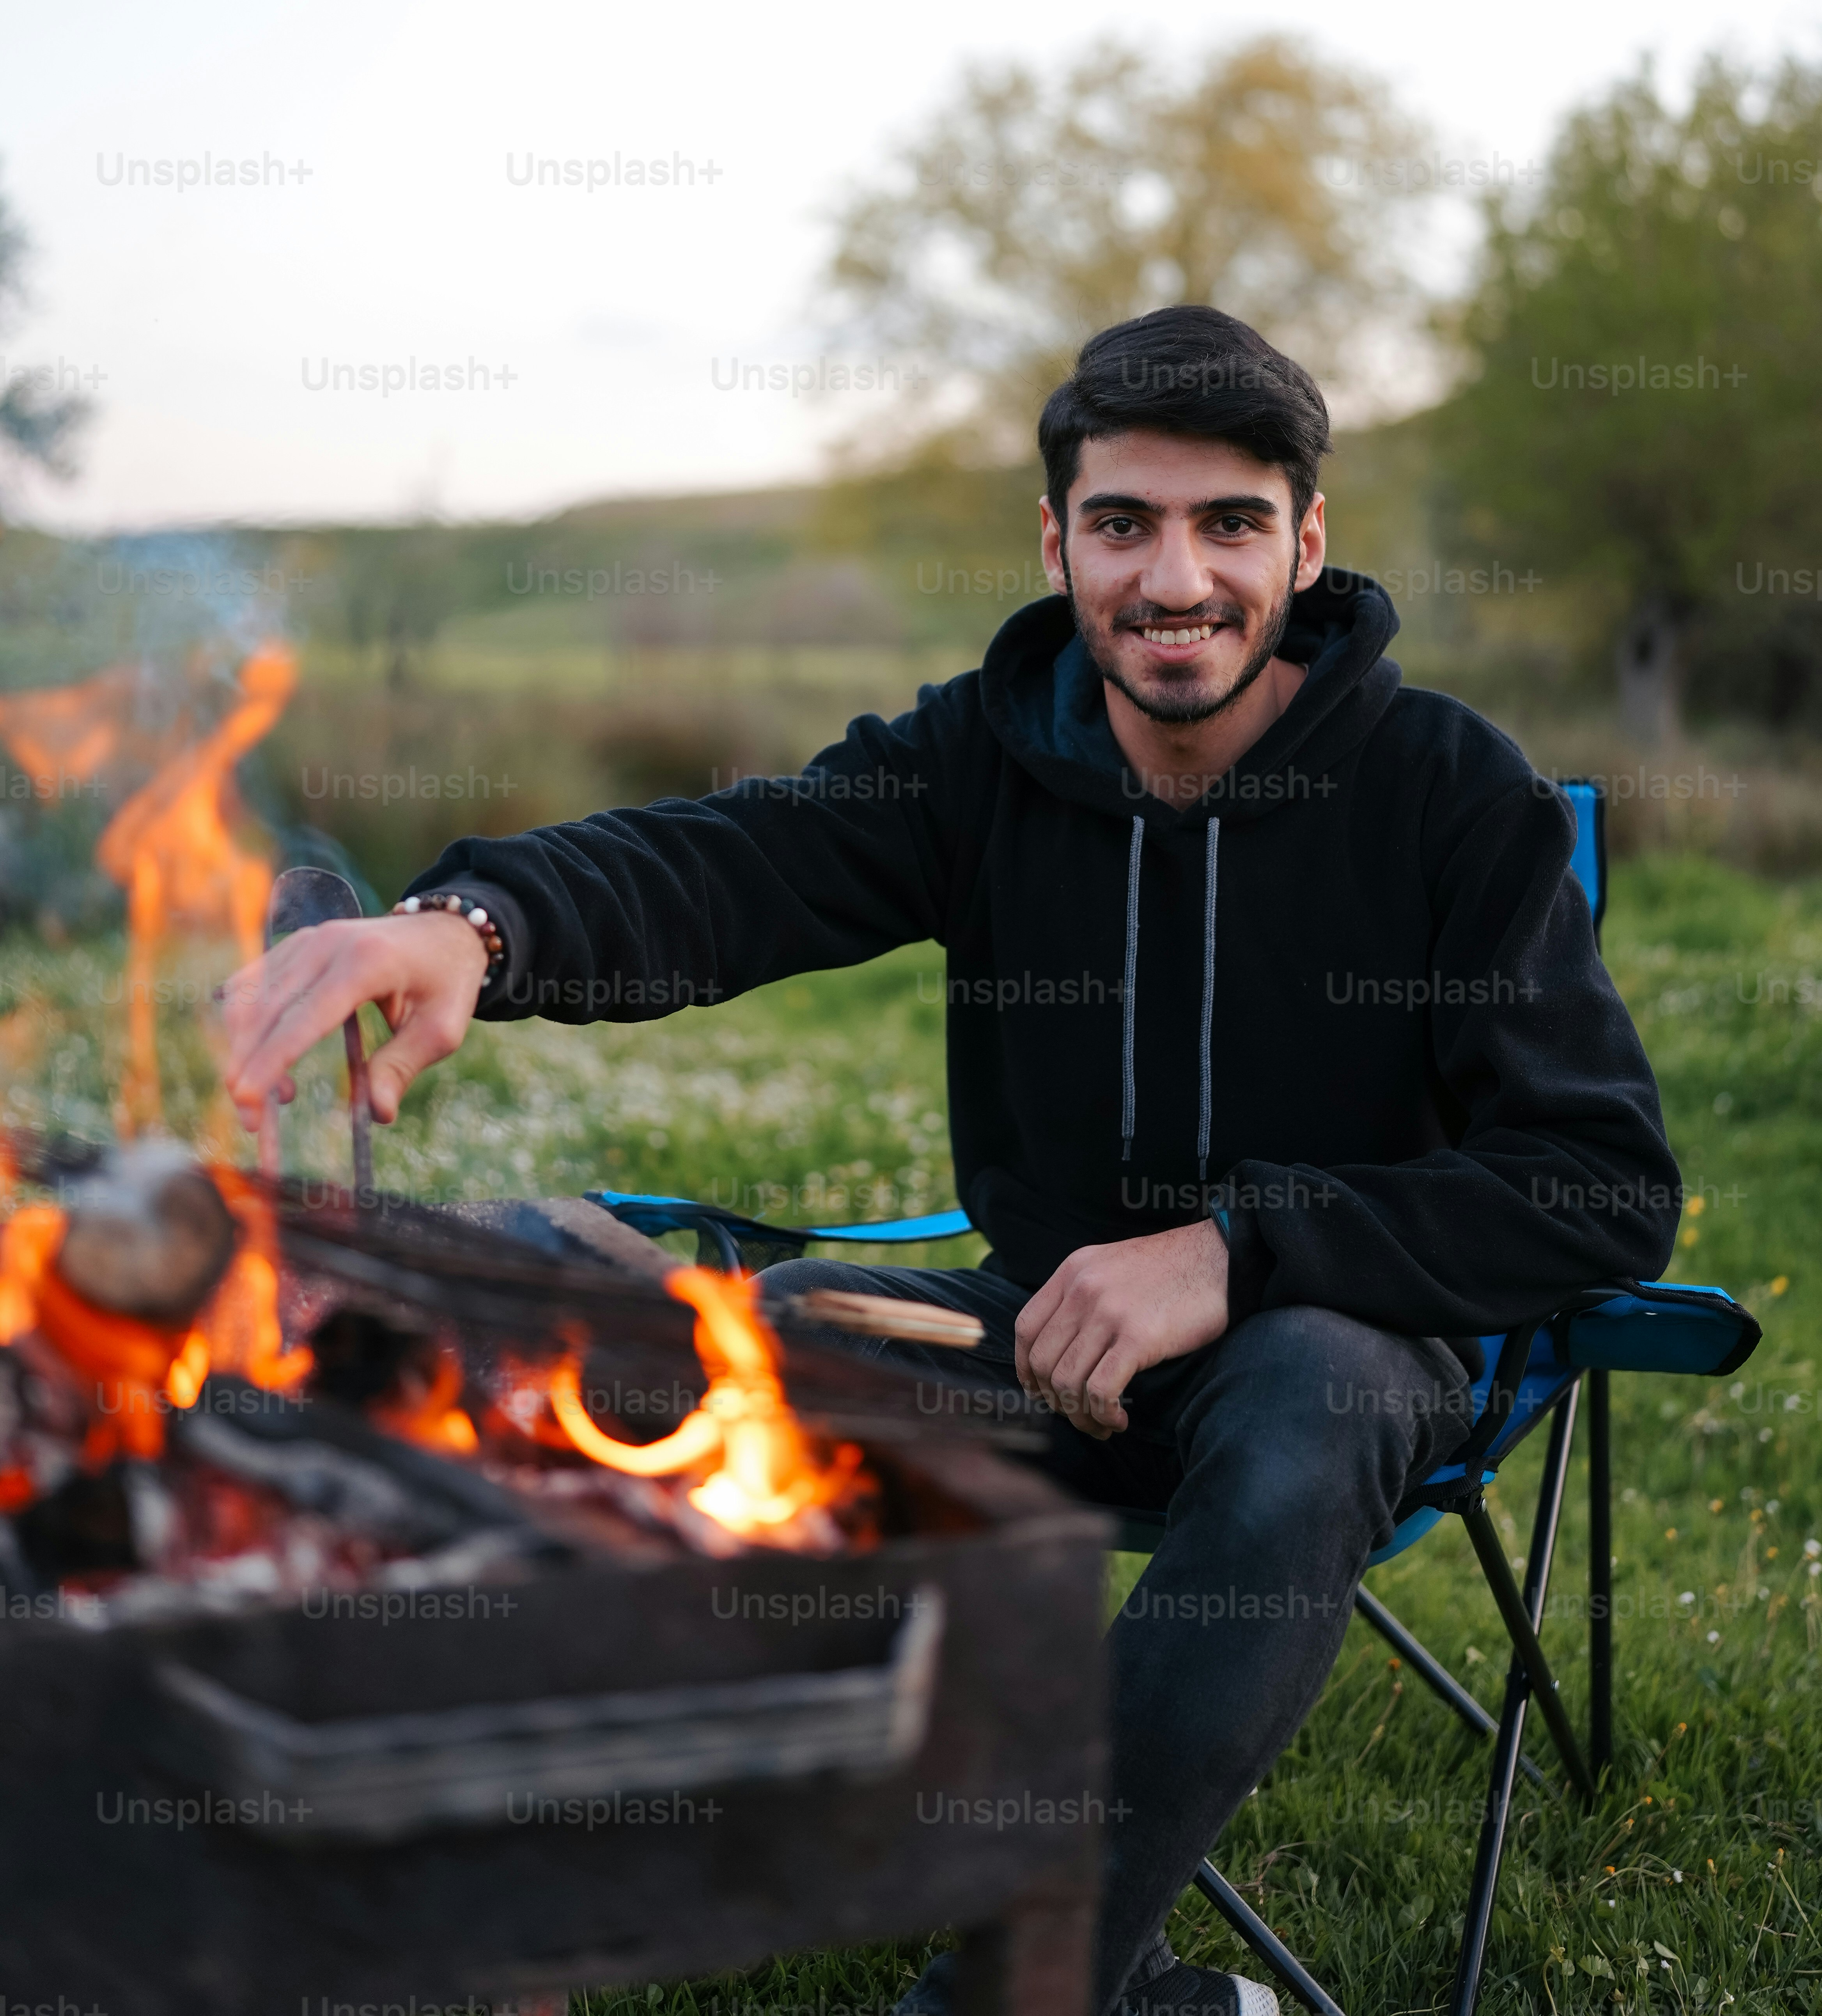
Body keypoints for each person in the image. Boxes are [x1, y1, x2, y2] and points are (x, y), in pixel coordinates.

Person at [222, 305, 1679, 2016]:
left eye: (1229, 525)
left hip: (1329, 1367)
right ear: (1056, 541)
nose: (1177, 579)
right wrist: (481, 923)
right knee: (661, 1340)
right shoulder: (987, 759)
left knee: (1309, 1393)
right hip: (1027, 1359)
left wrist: (1234, 1251)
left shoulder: (1445, 794)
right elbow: (733, 864)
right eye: (1124, 524)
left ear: (1308, 539)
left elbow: (1600, 1183)